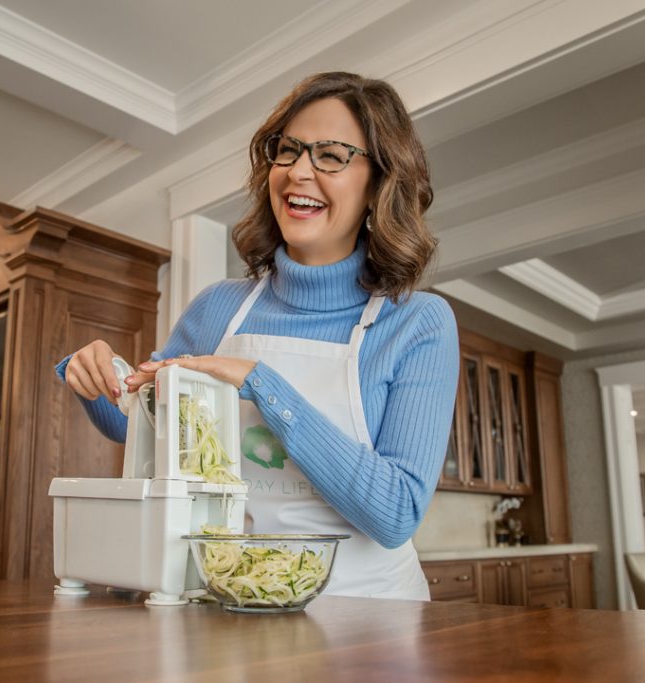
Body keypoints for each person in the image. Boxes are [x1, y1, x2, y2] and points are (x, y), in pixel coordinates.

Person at [56, 71, 458, 600]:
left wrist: (261, 383)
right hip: (237, 603)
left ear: (379, 184)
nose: (298, 172)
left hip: (371, 620)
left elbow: (394, 513)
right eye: (287, 150)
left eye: (331, 156)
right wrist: (98, 374)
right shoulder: (219, 308)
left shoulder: (417, 322)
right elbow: (139, 422)